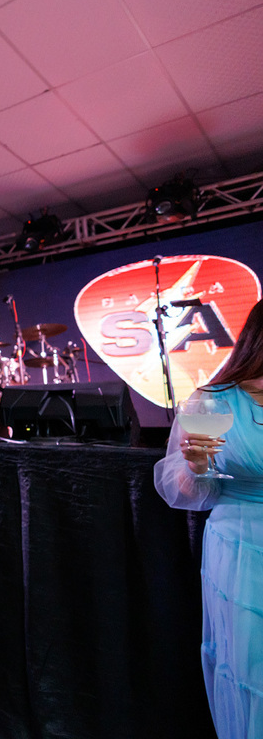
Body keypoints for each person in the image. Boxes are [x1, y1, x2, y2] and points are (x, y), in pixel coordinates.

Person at [155, 298, 263, 739]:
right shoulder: (213, 401)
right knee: (250, 664)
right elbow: (184, 488)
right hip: (241, 545)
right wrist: (197, 466)